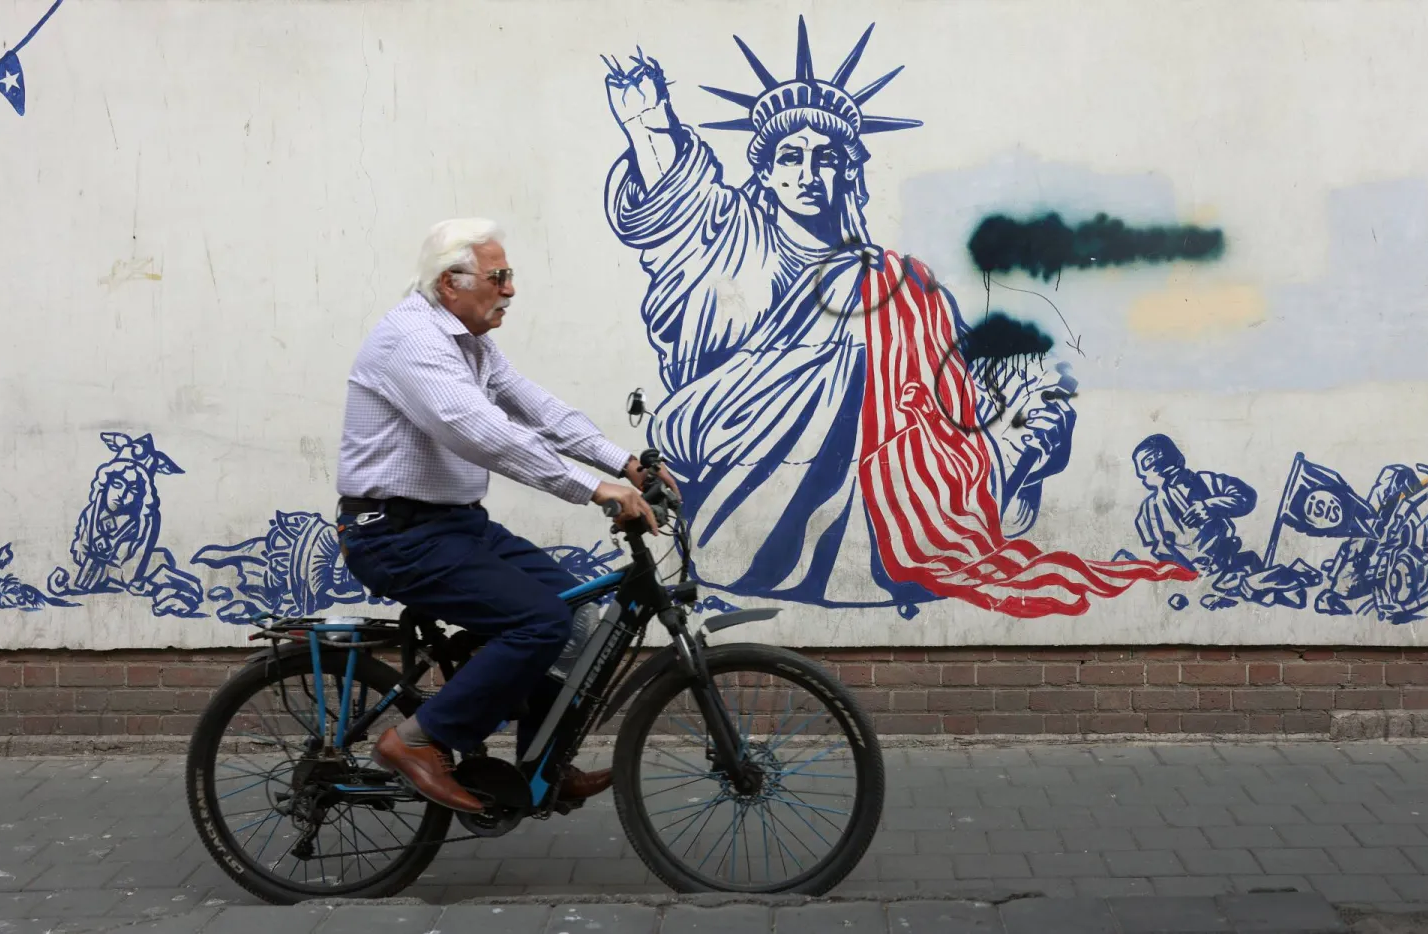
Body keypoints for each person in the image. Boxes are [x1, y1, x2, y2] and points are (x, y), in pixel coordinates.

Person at [601, 24, 1192, 617]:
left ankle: (924, 515)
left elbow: (949, 379)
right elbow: (677, 204)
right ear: (765, 172)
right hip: (730, 454)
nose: (808, 173)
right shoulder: (731, 241)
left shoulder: (899, 280)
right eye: (790, 156)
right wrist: (648, 127)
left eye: (826, 158)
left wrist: (1016, 399)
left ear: (849, 173)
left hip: (887, 480)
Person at [333, 218, 671, 813]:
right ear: (450, 284)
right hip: (393, 534)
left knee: (576, 617)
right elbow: (479, 431)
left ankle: (541, 762)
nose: (511, 289)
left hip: (453, 526)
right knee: (540, 621)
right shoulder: (412, 340)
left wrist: (623, 461)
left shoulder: (472, 341)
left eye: (508, 275)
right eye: (500, 277)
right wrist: (592, 488)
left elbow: (535, 408)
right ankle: (417, 741)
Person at [1131, 434, 1260, 588]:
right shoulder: (1149, 510)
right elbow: (1156, 551)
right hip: (1188, 582)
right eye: (1151, 466)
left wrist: (1211, 506)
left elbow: (1247, 497)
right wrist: (1185, 567)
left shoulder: (1205, 481)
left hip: (1229, 568)